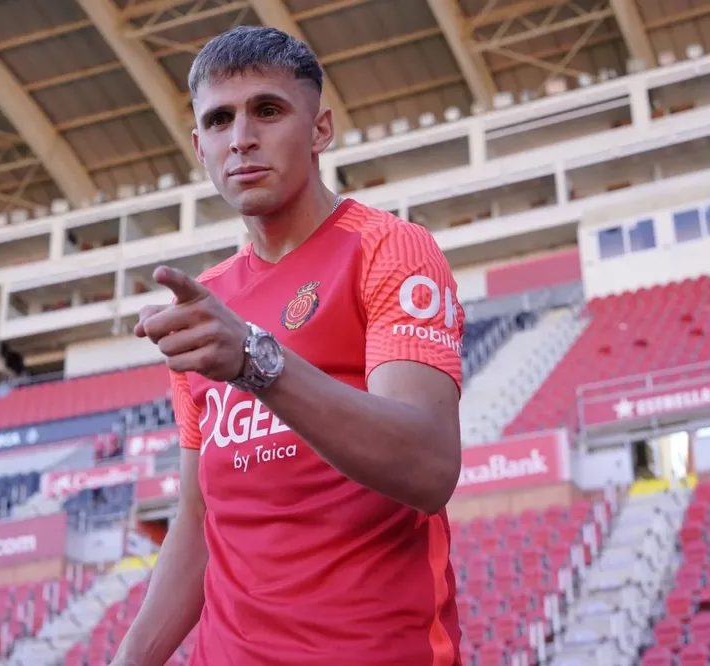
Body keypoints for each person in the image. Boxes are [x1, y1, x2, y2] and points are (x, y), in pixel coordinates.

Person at [112, 25, 465, 666]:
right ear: (200, 147)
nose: (241, 137)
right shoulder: (207, 301)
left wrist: (256, 362)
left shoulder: (387, 249)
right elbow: (197, 521)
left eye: (267, 111)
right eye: (219, 120)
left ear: (320, 130)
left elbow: (429, 468)